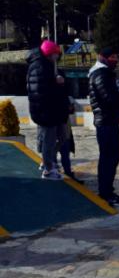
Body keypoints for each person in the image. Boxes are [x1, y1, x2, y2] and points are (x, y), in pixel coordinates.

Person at [89, 48, 119, 205]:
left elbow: (110, 95)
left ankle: (107, 190)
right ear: (103, 58)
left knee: (111, 157)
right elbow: (109, 99)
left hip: (109, 121)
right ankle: (105, 192)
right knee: (109, 158)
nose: (115, 60)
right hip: (106, 122)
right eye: (113, 57)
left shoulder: (104, 73)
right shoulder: (101, 74)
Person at [26, 40, 70, 180]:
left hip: (52, 111)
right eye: (55, 54)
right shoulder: (40, 67)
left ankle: (48, 162)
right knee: (49, 141)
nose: (57, 57)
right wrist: (56, 83)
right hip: (46, 111)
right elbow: (41, 91)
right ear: (49, 54)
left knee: (59, 138)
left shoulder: (46, 65)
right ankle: (48, 169)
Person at [58, 92, 83, 184]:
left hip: (64, 128)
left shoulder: (65, 96)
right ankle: (60, 172)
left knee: (65, 152)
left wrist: (70, 106)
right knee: (60, 152)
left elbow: (73, 109)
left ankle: (67, 173)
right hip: (56, 129)